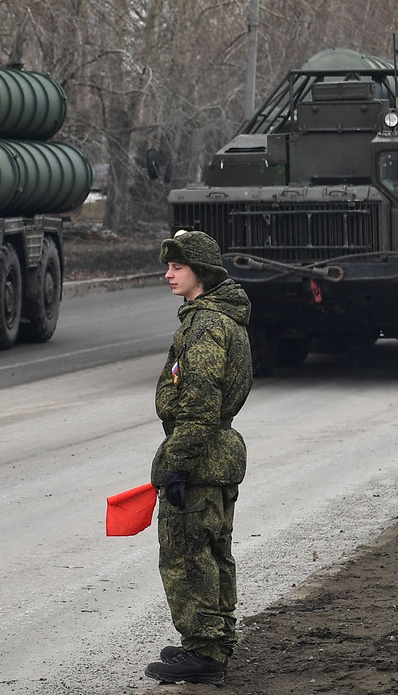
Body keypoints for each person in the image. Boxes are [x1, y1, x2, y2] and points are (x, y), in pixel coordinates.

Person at [145, 229, 252, 686]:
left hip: (202, 457)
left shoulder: (207, 325)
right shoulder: (217, 318)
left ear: (201, 274)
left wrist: (178, 465)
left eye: (177, 267)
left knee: (188, 553)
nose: (168, 274)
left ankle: (205, 651)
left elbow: (199, 401)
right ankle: (212, 639)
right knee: (213, 551)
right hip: (215, 455)